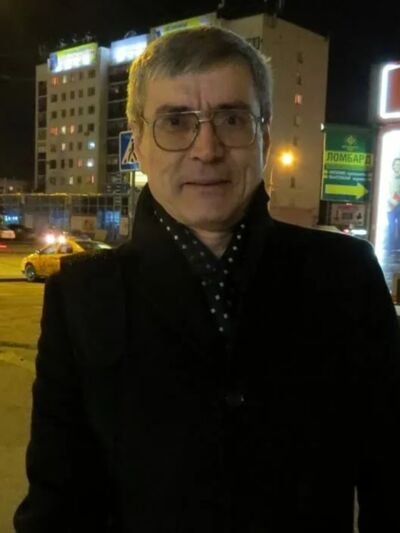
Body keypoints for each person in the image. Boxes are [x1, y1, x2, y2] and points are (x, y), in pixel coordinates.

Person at [15, 26, 400, 533]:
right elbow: (57, 504)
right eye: (176, 122)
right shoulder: (81, 296)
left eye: (232, 119)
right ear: (138, 143)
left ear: (265, 137)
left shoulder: (346, 276)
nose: (207, 149)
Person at [386, 156, 400, 252]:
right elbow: (389, 192)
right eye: (395, 164)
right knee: (391, 227)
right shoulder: (389, 178)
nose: (397, 166)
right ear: (393, 166)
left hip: (398, 206)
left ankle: (398, 247)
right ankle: (390, 247)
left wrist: (396, 200)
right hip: (390, 206)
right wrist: (392, 200)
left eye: (399, 165)